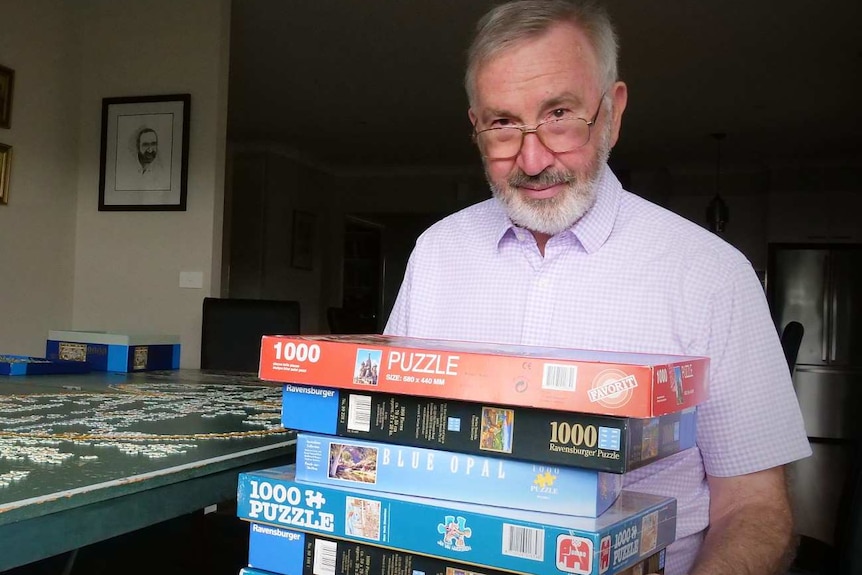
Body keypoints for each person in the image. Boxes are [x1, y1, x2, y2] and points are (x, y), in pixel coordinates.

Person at [383, 1, 811, 574]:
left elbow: (756, 509)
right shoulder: (435, 253)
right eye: (504, 123)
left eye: (560, 114)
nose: (533, 160)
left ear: (612, 112)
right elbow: (385, 446)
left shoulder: (713, 275)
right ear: (476, 127)